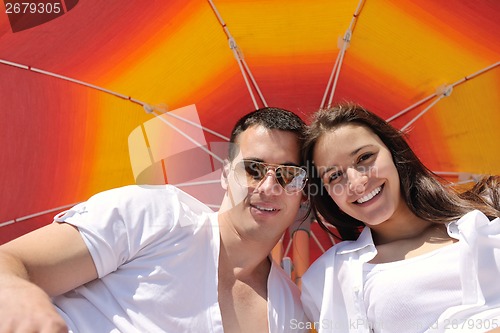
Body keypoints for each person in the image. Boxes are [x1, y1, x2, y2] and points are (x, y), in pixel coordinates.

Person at [0, 107, 309, 333]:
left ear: (303, 191)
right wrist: (20, 295)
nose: (269, 187)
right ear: (227, 174)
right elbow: (10, 261)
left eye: (289, 175)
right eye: (253, 169)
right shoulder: (155, 215)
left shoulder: (292, 309)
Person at [300, 103, 500, 333]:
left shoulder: (490, 205)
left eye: (364, 157)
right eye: (334, 176)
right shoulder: (329, 278)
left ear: (393, 152)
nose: (356, 182)